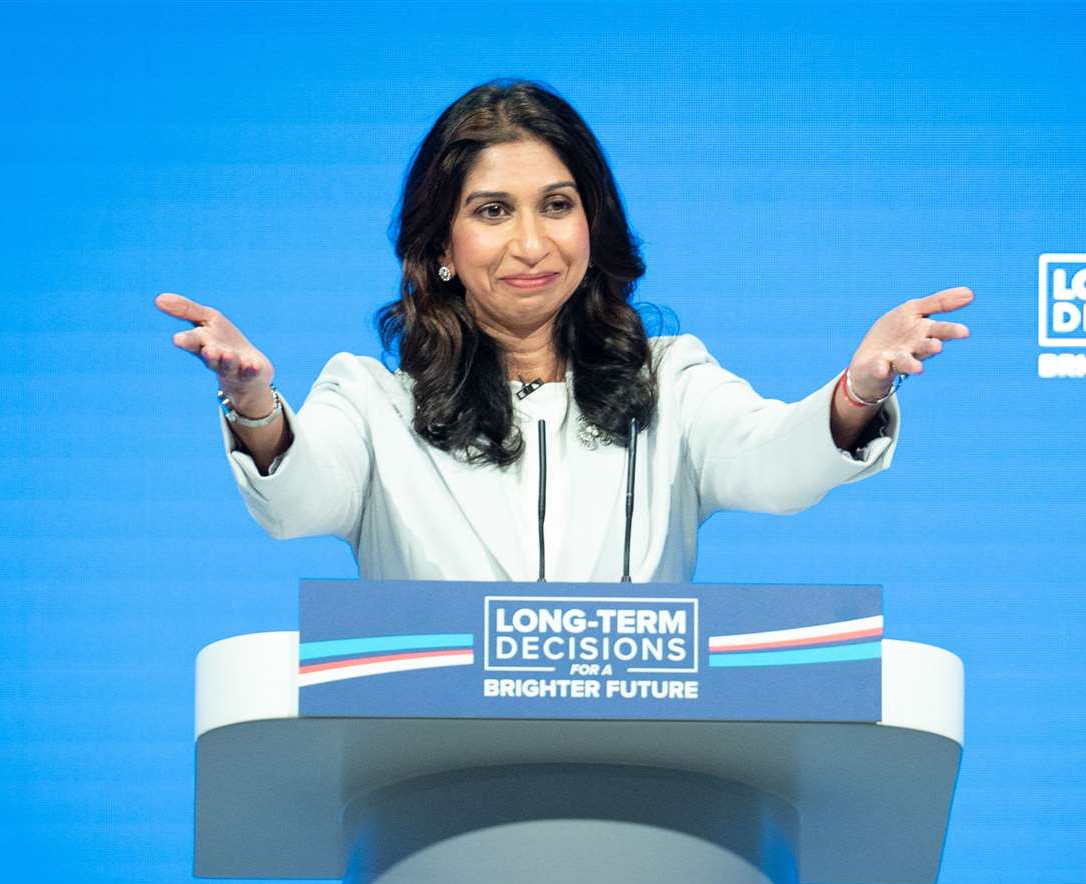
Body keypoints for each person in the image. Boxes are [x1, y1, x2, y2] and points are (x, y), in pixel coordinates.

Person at [155, 79, 972, 582]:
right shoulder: (370, 402)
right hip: (438, 800)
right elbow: (302, 498)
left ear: (593, 224)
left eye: (556, 205)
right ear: (441, 245)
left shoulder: (670, 385)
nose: (532, 244)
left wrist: (856, 393)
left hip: (639, 799)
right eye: (491, 212)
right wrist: (258, 408)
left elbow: (773, 461)